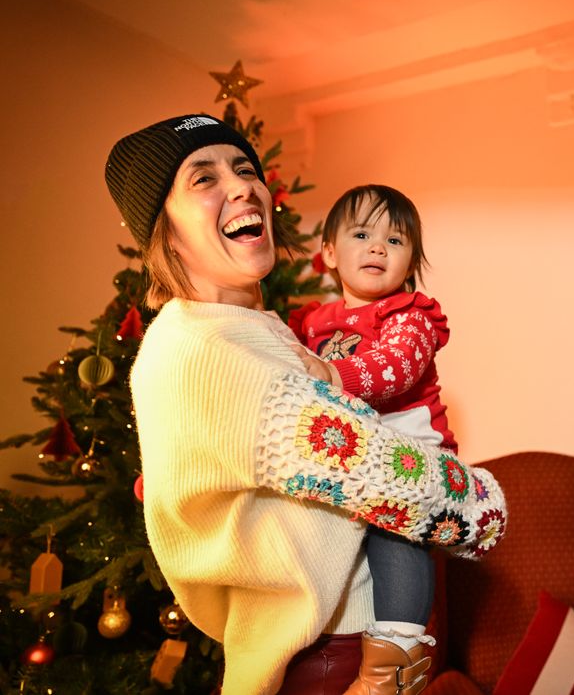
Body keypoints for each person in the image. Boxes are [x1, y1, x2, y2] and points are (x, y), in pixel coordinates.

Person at [104, 114, 507, 695]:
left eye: (245, 168)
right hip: (327, 658)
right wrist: (486, 502)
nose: (242, 186)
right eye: (203, 178)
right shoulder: (209, 348)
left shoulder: (250, 331)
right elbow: (387, 473)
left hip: (320, 645)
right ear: (166, 233)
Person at [289, 184, 456, 693]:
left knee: (397, 536)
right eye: (362, 234)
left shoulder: (410, 316)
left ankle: (393, 667)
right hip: (346, 458)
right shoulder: (311, 322)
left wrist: (329, 375)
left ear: (412, 261)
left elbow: (395, 369)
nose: (378, 246)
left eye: (396, 239)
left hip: (407, 453)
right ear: (331, 253)